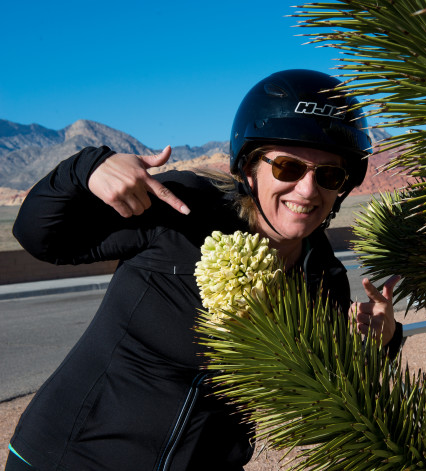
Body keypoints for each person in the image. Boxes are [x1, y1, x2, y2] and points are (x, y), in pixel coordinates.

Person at [6, 69, 403, 471]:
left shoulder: (323, 276)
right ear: (248, 168)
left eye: (330, 175)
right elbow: (41, 236)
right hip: (70, 458)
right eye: (287, 167)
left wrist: (382, 342)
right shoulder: (184, 210)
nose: (307, 189)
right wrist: (88, 168)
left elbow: (326, 388)